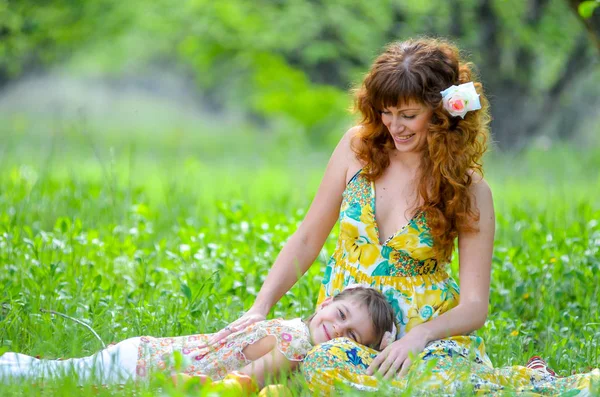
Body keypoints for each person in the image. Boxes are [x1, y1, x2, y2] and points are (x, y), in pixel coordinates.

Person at [208, 37, 600, 394]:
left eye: (408, 115)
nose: (394, 125)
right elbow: (308, 237)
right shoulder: (356, 148)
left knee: (435, 388)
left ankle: (533, 381)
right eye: (386, 112)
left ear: (442, 113)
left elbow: (475, 306)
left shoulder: (470, 190)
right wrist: (261, 305)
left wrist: (418, 338)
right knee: (318, 364)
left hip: (426, 336)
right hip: (351, 325)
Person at [0, 286, 394, 390]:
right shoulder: (295, 346)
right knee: (49, 381)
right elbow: (235, 387)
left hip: (148, 352)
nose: (338, 329)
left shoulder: (290, 328)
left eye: (352, 337)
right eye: (340, 315)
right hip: (148, 369)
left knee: (52, 374)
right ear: (325, 303)